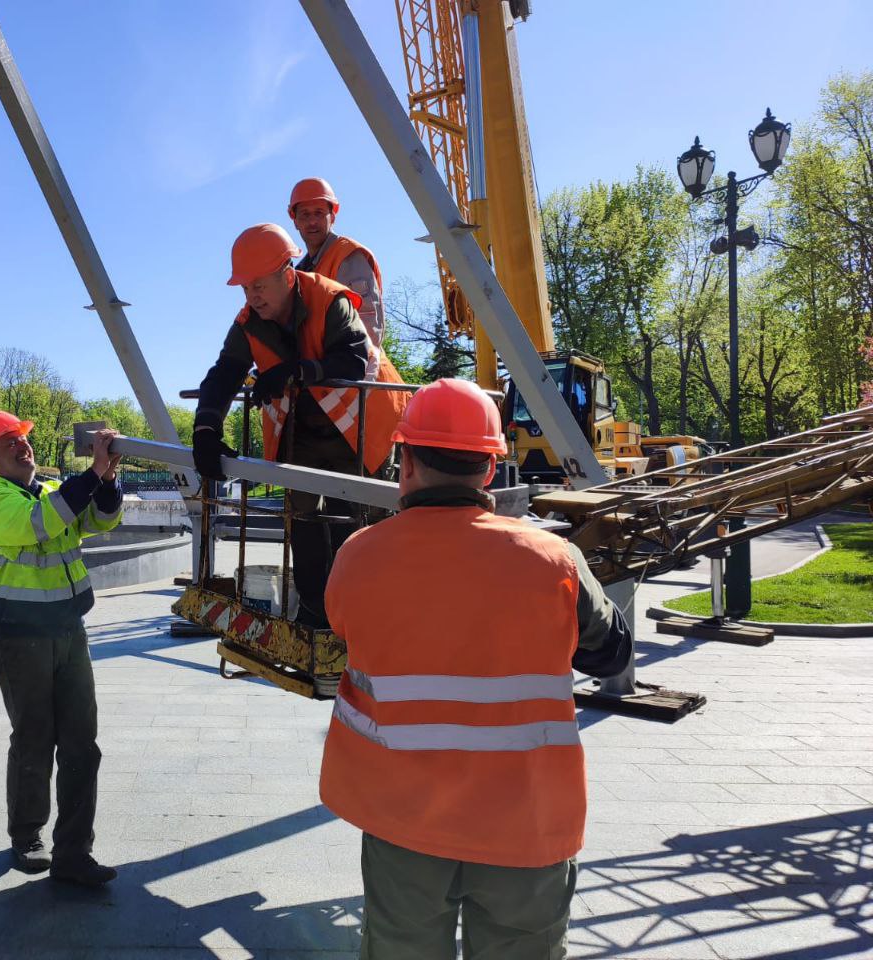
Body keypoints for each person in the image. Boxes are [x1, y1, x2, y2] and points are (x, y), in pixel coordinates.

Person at [319, 378, 634, 959]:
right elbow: (611, 650)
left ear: (405, 461)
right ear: (490, 470)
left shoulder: (359, 554)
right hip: (528, 826)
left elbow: (345, 629)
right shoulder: (552, 559)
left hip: (403, 823)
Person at [193, 223, 406, 628]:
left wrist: (296, 371)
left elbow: (354, 361)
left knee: (356, 521)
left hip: (362, 427)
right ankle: (314, 613)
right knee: (303, 521)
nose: (252, 296)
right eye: (245, 288)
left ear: (287, 275)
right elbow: (224, 374)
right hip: (307, 432)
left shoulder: (329, 300)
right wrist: (205, 431)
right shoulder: (248, 323)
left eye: (259, 285)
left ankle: (363, 619)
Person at [0, 410, 123, 886]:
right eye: (7, 441)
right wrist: (92, 472)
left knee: (82, 745)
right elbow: (41, 524)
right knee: (35, 740)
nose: (21, 446)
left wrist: (108, 480)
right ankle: (27, 836)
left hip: (68, 633)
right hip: (20, 638)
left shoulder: (52, 492)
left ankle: (75, 851)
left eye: (21, 438)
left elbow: (100, 520)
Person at [289, 178, 385, 378]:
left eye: (319, 213)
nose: (312, 221)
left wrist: (358, 383)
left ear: (333, 216)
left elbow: (367, 328)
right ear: (295, 220)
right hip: (323, 382)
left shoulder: (348, 256)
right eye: (305, 215)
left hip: (356, 386)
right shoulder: (301, 273)